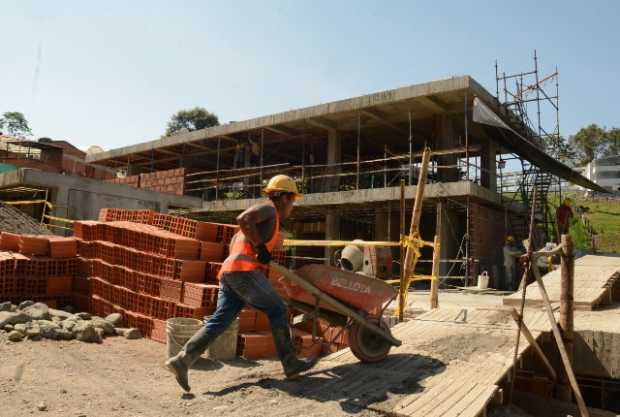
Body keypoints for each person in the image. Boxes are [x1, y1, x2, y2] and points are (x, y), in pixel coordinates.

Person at [165, 175, 318, 392]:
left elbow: (239, 243)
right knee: (278, 309)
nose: (292, 206)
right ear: (283, 198)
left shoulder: (258, 225)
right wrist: (260, 248)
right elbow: (243, 218)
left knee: (219, 322)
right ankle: (291, 364)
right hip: (243, 273)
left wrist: (259, 253)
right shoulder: (268, 209)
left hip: (230, 274)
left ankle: (182, 360)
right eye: (293, 200)